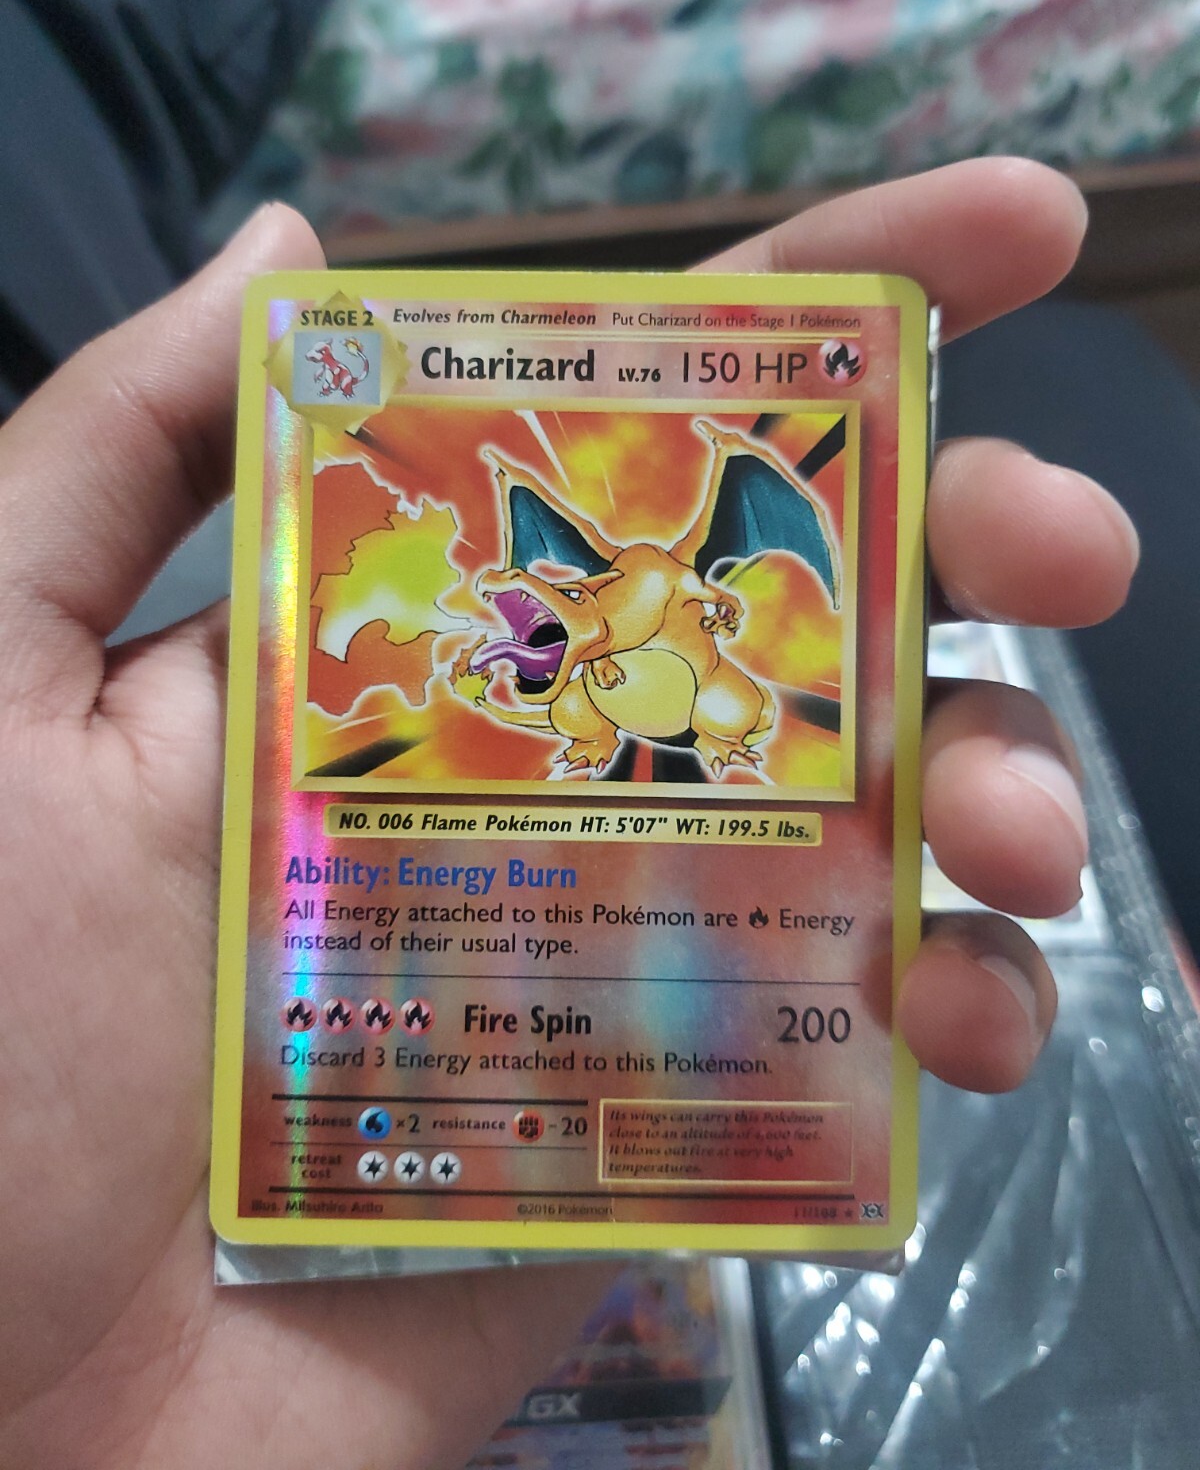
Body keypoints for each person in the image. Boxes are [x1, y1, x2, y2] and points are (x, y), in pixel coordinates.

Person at [0, 158, 1138, 1468]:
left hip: (697, 715)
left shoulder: (661, 591)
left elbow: (623, 621)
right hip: (563, 809)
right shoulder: (574, 627)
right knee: (1090, 385)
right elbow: (556, 641)